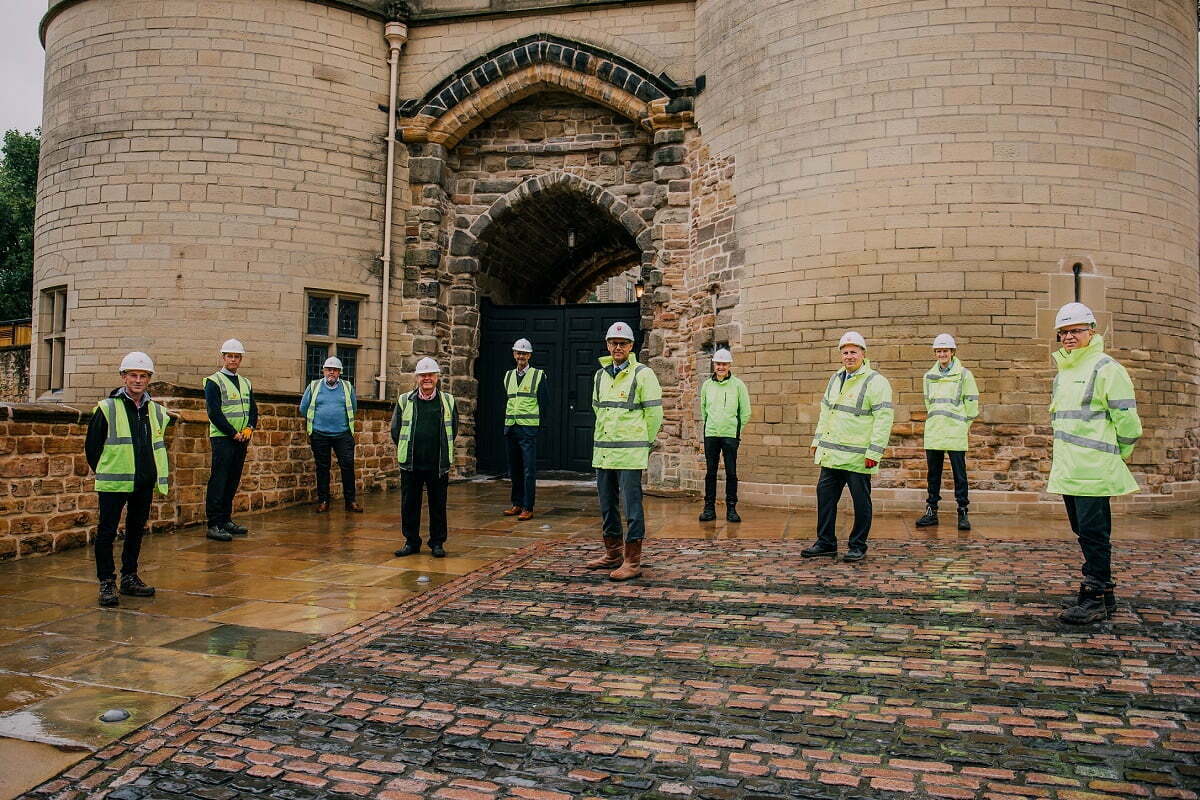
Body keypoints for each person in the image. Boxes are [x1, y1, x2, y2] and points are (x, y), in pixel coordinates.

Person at [1049, 302, 1141, 625]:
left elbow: (1128, 423)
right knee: (1083, 531)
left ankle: (1095, 595)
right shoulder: (1064, 373)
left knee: (1093, 533)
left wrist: (1117, 455)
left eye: (1075, 331)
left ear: (1091, 330)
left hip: (1094, 468)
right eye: (1063, 332)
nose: (1068, 337)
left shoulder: (1106, 368)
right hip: (1070, 469)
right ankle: (1104, 592)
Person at [84, 352, 171, 607]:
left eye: (143, 376)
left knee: (135, 530)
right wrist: (107, 470)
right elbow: (92, 447)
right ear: (123, 377)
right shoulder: (107, 408)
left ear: (149, 379)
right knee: (107, 531)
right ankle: (106, 582)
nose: (138, 380)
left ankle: (129, 577)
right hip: (115, 481)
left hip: (143, 482)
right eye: (133, 375)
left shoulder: (156, 411)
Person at [804, 331, 894, 562]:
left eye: (853, 352)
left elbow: (884, 419)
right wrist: (817, 441)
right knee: (825, 499)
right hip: (832, 454)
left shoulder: (876, 382)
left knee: (861, 503)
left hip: (858, 457)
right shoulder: (835, 379)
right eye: (845, 352)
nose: (849, 356)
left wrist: (875, 452)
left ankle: (857, 545)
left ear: (863, 354)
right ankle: (825, 543)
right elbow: (826, 412)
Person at [584, 322, 663, 581]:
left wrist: (644, 443)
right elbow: (599, 410)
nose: (618, 347)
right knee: (607, 505)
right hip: (604, 453)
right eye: (614, 343)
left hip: (630, 454)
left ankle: (633, 560)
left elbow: (654, 414)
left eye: (623, 343)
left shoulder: (643, 374)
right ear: (607, 345)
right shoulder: (600, 375)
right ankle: (613, 553)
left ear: (631, 346)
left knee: (632, 508)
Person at [391, 357, 458, 558]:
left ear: (437, 377)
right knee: (409, 505)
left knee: (438, 505)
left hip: (437, 463)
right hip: (411, 462)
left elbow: (453, 429)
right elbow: (396, 430)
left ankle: (437, 543)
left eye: (430, 375)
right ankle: (411, 542)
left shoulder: (448, 400)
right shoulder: (404, 400)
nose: (426, 378)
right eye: (423, 375)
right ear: (417, 378)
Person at [915, 333, 979, 531]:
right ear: (935, 353)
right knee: (933, 475)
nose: (942, 354)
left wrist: (963, 426)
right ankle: (931, 511)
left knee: (960, 475)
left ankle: (963, 512)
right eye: (939, 351)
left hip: (955, 432)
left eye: (945, 351)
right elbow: (929, 403)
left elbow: (972, 403)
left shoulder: (964, 375)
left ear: (952, 352)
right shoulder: (928, 376)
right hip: (934, 431)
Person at [204, 338, 257, 542]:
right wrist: (232, 432)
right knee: (219, 480)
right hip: (223, 438)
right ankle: (214, 524)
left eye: (236, 356)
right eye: (230, 356)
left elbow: (253, 409)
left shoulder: (245, 382)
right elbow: (214, 412)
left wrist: (249, 427)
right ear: (223, 357)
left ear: (240, 359)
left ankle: (225, 520)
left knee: (232, 480)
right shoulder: (213, 381)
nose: (233, 359)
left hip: (242, 438)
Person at [300, 356, 363, 513]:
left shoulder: (347, 387)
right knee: (322, 468)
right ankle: (323, 501)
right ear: (323, 371)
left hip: (343, 434)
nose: (331, 372)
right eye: (329, 369)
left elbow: (353, 408)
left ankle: (351, 501)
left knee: (347, 466)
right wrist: (315, 425)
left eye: (335, 370)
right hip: (319, 434)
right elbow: (303, 408)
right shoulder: (314, 386)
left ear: (340, 372)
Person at [698, 347, 751, 523]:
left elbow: (745, 412)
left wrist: (736, 430)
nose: (721, 367)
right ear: (714, 365)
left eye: (724, 364)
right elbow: (703, 409)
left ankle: (731, 509)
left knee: (731, 472)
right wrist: (709, 426)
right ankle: (709, 509)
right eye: (718, 364)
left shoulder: (738, 385)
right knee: (710, 473)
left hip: (730, 435)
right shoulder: (707, 385)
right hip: (711, 434)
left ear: (729, 365)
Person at [502, 338, 548, 521]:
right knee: (514, 469)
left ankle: (528, 507)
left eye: (524, 353)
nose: (521, 356)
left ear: (529, 355)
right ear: (514, 354)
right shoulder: (508, 376)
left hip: (528, 429)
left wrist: (537, 427)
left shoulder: (538, 375)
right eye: (518, 353)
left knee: (529, 470)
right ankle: (517, 503)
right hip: (511, 428)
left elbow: (544, 403)